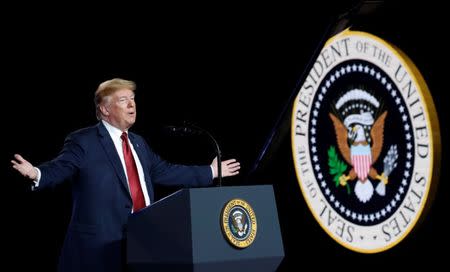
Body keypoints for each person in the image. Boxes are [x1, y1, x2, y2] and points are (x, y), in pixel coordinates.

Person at [11, 78, 240, 272]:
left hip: (141, 243)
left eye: (133, 99)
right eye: (123, 100)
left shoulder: (139, 143)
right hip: (97, 251)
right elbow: (62, 167)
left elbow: (166, 171)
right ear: (104, 109)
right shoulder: (84, 141)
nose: (132, 104)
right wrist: (37, 173)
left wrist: (210, 171)